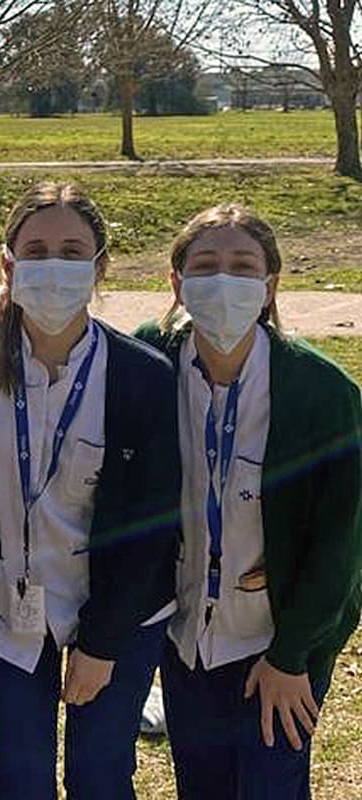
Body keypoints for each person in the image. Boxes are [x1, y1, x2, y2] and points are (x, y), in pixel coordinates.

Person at [0, 182, 180, 799]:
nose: (53, 265)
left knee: (99, 773)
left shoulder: (140, 375)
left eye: (73, 251)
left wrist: (101, 645)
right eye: (36, 250)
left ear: (99, 268)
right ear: (7, 265)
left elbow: (151, 531)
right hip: (2, 607)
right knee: (20, 773)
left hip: (118, 610)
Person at [135, 204, 362, 799]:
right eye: (205, 266)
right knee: (202, 785)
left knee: (271, 786)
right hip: (186, 643)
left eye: (243, 266)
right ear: (177, 283)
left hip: (276, 647)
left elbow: (341, 546)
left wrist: (293, 658)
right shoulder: (148, 361)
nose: (224, 280)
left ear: (270, 285)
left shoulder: (322, 392)